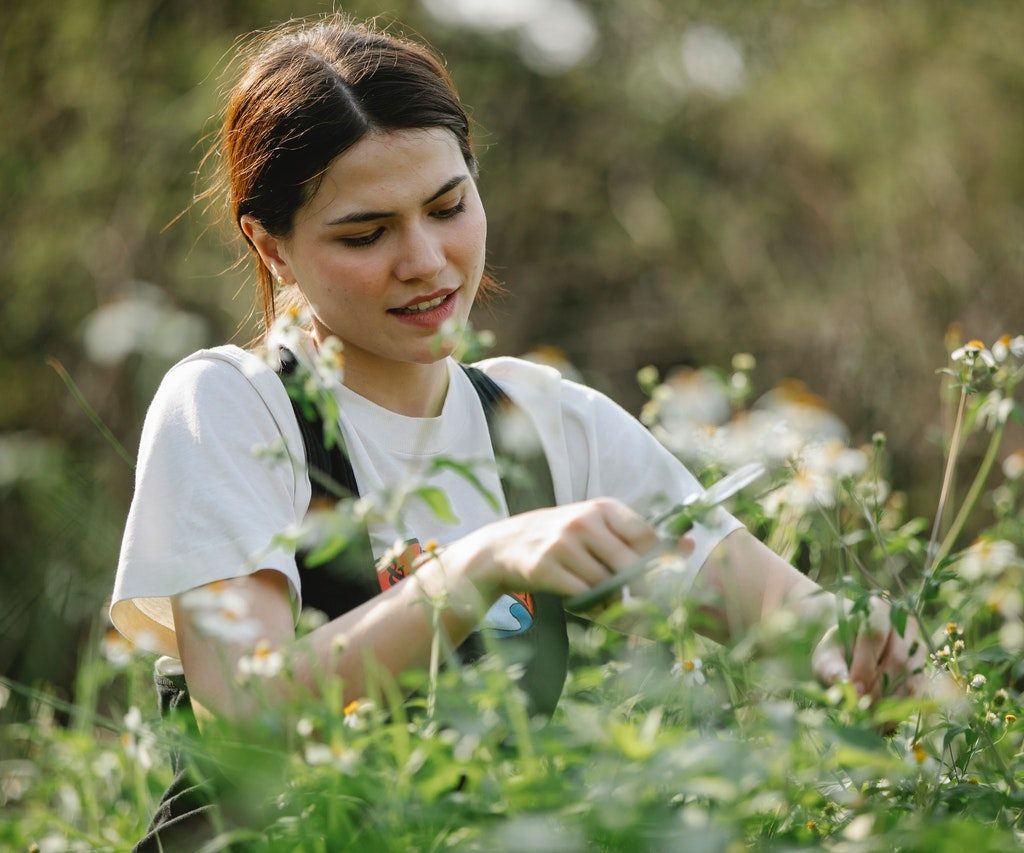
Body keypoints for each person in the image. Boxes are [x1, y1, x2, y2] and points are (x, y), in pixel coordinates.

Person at [109, 13, 923, 846]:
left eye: (447, 205)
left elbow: (780, 610)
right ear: (271, 246)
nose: (425, 259)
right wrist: (477, 567)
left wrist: (848, 649)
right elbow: (246, 722)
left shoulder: (541, 423)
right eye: (366, 232)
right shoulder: (230, 410)